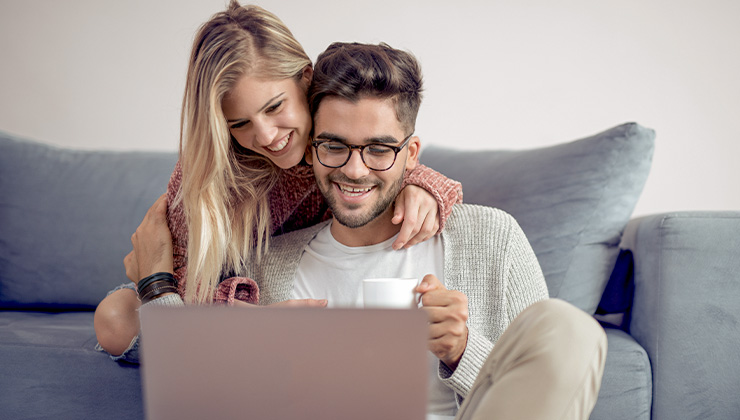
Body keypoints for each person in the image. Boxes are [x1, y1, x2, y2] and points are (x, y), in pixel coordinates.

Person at [132, 41, 607, 418]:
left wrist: (462, 350)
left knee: (568, 330)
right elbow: (189, 390)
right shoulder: (265, 261)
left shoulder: (490, 237)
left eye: (379, 149)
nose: (355, 171)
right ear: (308, 149)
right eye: (334, 146)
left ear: (412, 153)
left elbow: (548, 392)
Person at [93, 1, 462, 363]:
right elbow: (183, 288)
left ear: (305, 78)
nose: (267, 135)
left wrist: (422, 182)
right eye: (240, 124)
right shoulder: (211, 178)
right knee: (114, 316)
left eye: (274, 107)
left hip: (302, 283)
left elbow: (379, 152)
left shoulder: (337, 124)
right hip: (211, 296)